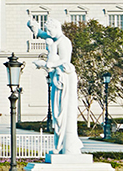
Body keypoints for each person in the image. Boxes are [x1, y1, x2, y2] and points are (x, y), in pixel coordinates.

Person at [28, 19, 82, 155]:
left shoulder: (64, 42)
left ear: (57, 28)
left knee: (62, 113)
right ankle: (59, 145)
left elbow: (64, 60)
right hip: (57, 79)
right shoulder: (54, 38)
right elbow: (41, 34)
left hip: (63, 80)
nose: (48, 33)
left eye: (50, 30)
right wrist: (34, 28)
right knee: (58, 114)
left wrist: (47, 65)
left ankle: (66, 145)